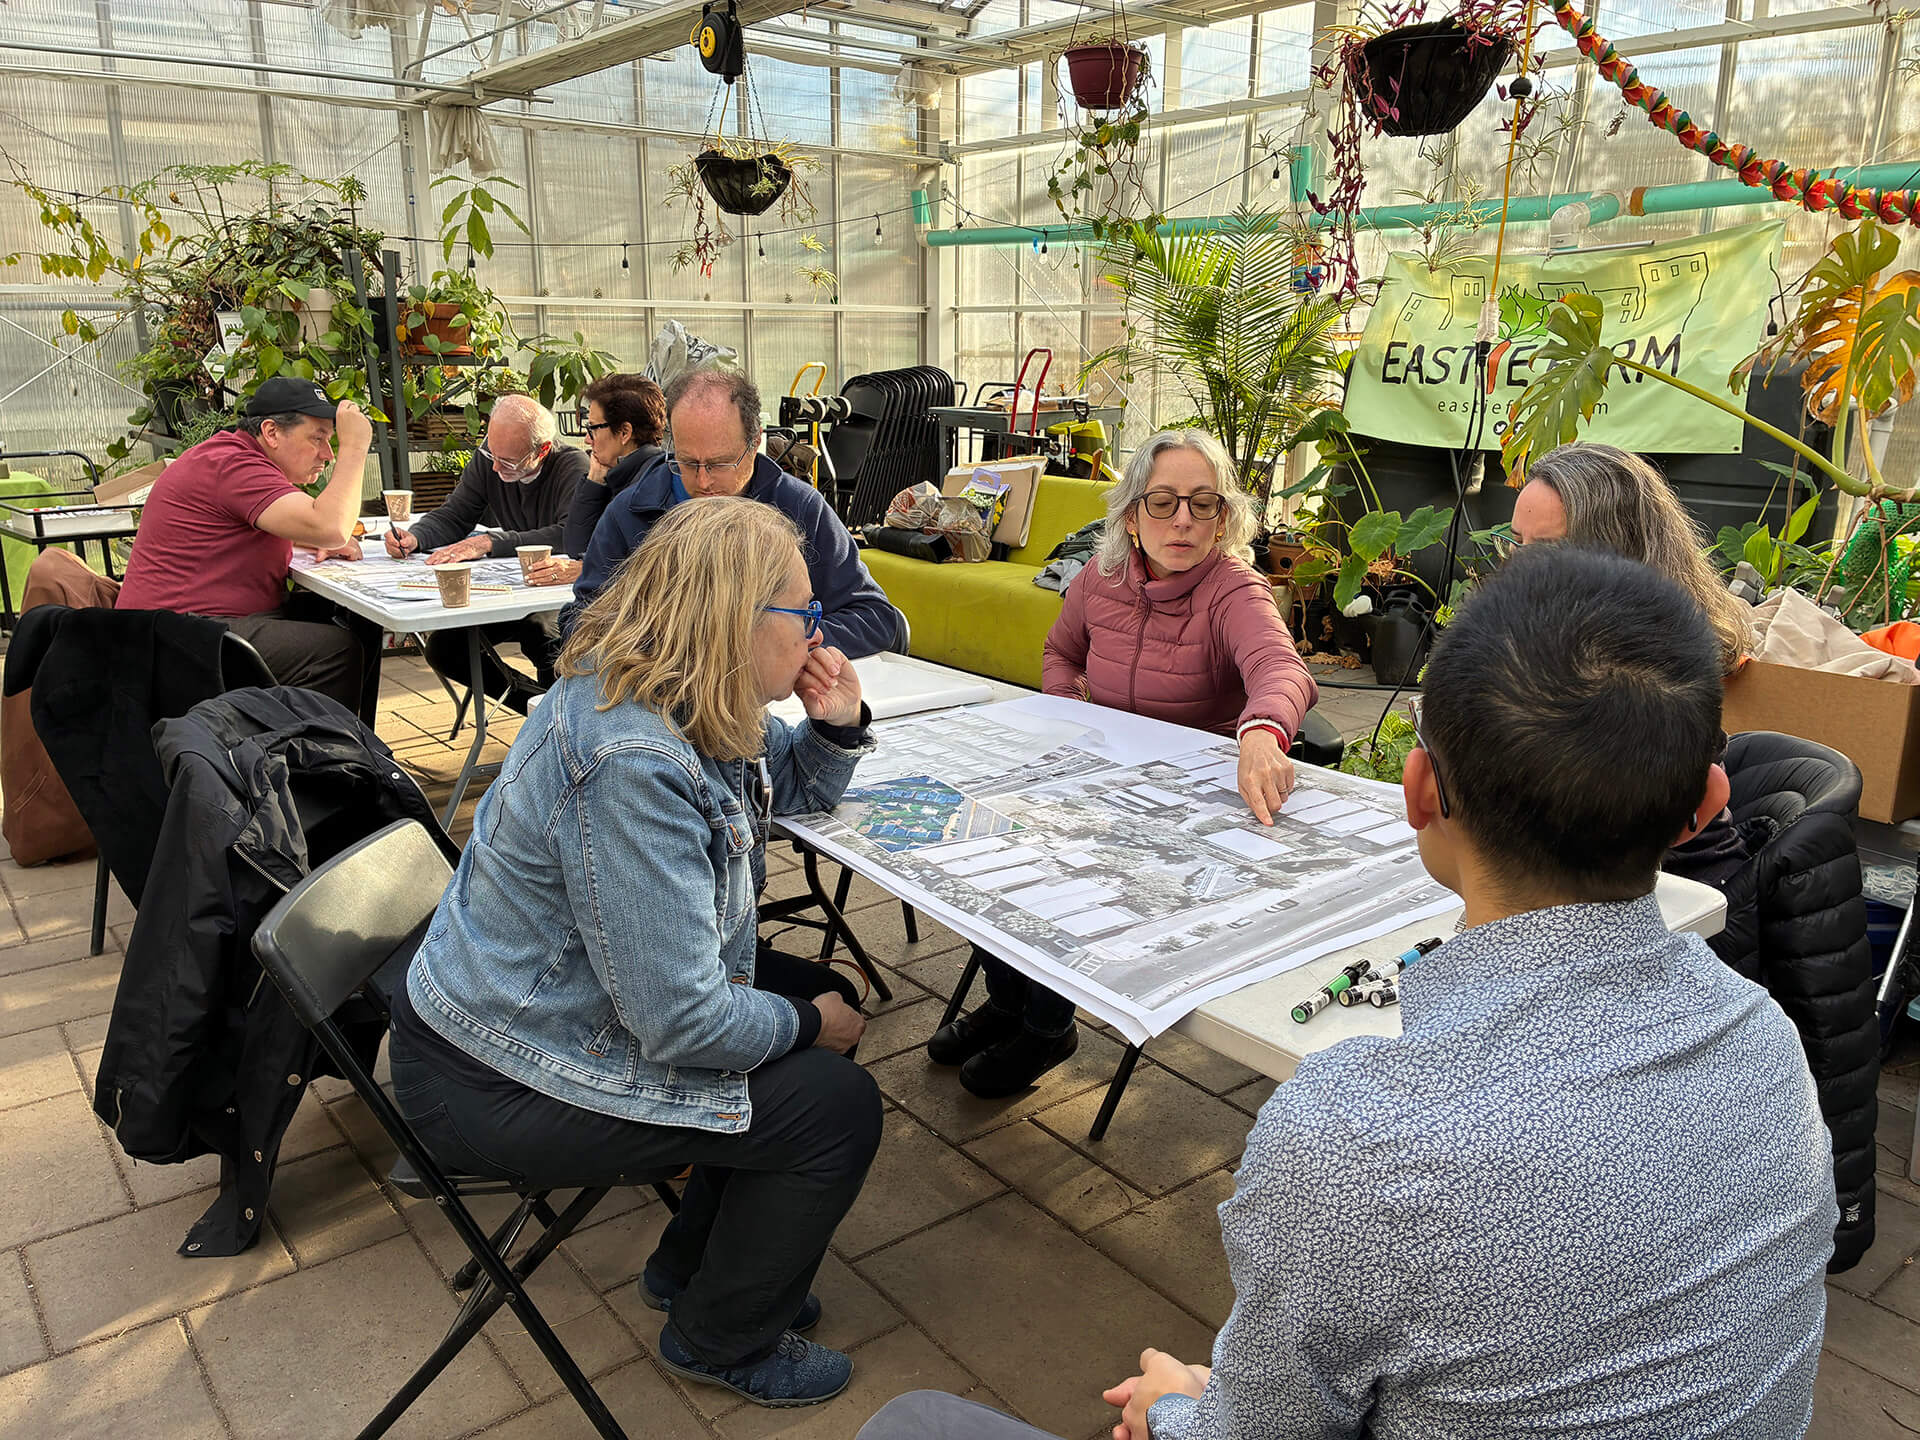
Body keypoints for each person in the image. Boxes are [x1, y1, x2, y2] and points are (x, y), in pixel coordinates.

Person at [864, 545, 1839, 1440]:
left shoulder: (1362, 1131)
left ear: (1420, 793)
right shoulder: (1767, 1041)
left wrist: (1175, 1411)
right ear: (1705, 808)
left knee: (909, 1424)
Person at [391, 496, 882, 1409]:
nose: (820, 633)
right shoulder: (632, 757)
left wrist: (838, 725)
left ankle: (693, 1268)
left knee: (815, 1000)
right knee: (833, 1104)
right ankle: (719, 1336)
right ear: (734, 620)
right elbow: (683, 1017)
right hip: (493, 1071)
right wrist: (812, 1025)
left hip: (538, 1006)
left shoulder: (685, 695)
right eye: (806, 614)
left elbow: (786, 787)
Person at [927, 430, 1319, 1098]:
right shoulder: (1101, 576)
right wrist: (1068, 715)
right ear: (1132, 515)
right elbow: (1060, 653)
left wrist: (1261, 729)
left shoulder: (1234, 590)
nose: (1184, 520)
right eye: (1163, 502)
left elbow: (1281, 668)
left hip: (1181, 805)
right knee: (991, 835)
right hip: (1093, 774)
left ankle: (1048, 1026)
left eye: (1203, 503)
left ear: (1224, 518)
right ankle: (1009, 997)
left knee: (1073, 869)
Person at [563, 365, 897, 657]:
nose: (703, 481)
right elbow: (579, 620)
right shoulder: (630, 513)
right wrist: (660, 647)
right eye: (688, 462)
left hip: (776, 707)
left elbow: (876, 618)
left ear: (755, 443)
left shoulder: (800, 509)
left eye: (721, 463)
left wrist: (780, 646)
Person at [115, 376, 380, 720]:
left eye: (331, 441)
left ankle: (330, 746)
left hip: (177, 628)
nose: (328, 454)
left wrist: (311, 535)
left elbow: (258, 521)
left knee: (350, 619)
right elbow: (329, 526)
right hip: (179, 639)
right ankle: (319, 765)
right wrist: (355, 448)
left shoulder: (232, 456)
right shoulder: (236, 466)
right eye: (318, 438)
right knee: (334, 651)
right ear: (271, 432)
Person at [384, 393, 587, 711]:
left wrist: (492, 542)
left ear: (542, 449)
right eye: (491, 452)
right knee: (444, 648)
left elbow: (569, 534)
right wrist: (415, 537)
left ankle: (556, 723)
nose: (494, 466)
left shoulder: (572, 466)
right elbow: (456, 513)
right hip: (510, 590)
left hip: (557, 590)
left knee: (542, 633)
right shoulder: (489, 460)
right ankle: (537, 711)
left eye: (507, 461)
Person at [545, 372, 668, 579]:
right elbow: (575, 547)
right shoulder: (615, 474)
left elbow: (644, 567)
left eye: (592, 428)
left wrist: (588, 569)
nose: (587, 439)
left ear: (624, 433)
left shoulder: (653, 484)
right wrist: (594, 481)